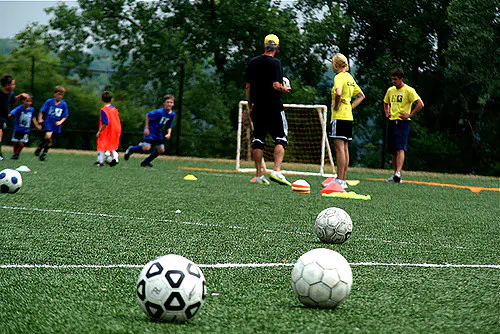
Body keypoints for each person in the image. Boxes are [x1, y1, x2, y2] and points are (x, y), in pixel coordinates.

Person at [244, 34, 292, 185]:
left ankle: (259, 175)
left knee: (258, 139)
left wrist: (250, 104)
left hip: (257, 106)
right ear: (277, 47)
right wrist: (284, 89)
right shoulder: (275, 63)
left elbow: (248, 86)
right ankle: (276, 171)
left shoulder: (253, 62)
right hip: (273, 106)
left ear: (264, 46)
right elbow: (275, 85)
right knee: (281, 137)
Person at [328, 53, 365, 189]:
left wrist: (337, 105)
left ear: (336, 65)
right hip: (348, 117)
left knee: (339, 149)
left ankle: (339, 179)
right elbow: (361, 95)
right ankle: (343, 179)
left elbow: (338, 93)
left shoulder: (339, 77)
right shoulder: (350, 77)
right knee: (345, 148)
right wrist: (350, 107)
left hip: (339, 117)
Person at [383, 68, 424, 183]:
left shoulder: (409, 90)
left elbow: (420, 104)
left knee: (401, 147)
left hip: (403, 123)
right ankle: (396, 175)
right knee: (393, 149)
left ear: (402, 79)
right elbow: (386, 102)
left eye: (395, 79)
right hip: (392, 121)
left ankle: (398, 172)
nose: (393, 82)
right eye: (392, 79)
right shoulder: (390, 90)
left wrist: (410, 114)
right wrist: (387, 111)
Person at [124, 94, 176, 167]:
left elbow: (169, 125)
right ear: (164, 103)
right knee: (146, 148)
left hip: (158, 132)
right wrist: (147, 128)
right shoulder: (159, 112)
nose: (169, 104)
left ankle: (145, 162)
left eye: (171, 102)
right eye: (167, 102)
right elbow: (148, 115)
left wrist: (169, 133)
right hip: (151, 130)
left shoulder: (172, 114)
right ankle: (131, 149)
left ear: (173, 104)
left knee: (161, 150)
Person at [34, 86, 69, 161]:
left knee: (49, 140)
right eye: (59, 94)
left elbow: (65, 116)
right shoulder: (49, 102)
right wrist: (40, 118)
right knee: (48, 136)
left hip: (56, 125)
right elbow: (42, 111)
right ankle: (42, 150)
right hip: (48, 122)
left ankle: (42, 152)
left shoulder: (63, 104)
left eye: (62, 95)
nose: (60, 96)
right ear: (55, 94)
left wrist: (60, 122)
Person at [0, 75, 29, 161]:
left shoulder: (11, 93)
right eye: (13, 84)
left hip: (3, 118)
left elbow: (12, 101)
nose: (14, 86)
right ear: (6, 85)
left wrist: (19, 97)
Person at [8, 93, 41, 160]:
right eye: (27, 101)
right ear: (23, 101)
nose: (29, 103)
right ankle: (15, 154)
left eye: (30, 101)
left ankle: (17, 154)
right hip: (17, 128)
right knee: (15, 142)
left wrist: (37, 125)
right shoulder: (19, 108)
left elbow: (33, 118)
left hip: (25, 130)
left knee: (21, 143)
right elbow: (12, 113)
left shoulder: (32, 110)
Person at [95, 91, 122, 167]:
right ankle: (115, 159)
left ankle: (100, 161)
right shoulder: (114, 109)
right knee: (112, 145)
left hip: (108, 130)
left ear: (102, 99)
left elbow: (105, 122)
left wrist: (99, 131)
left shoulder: (103, 110)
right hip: (116, 129)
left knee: (101, 144)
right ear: (111, 100)